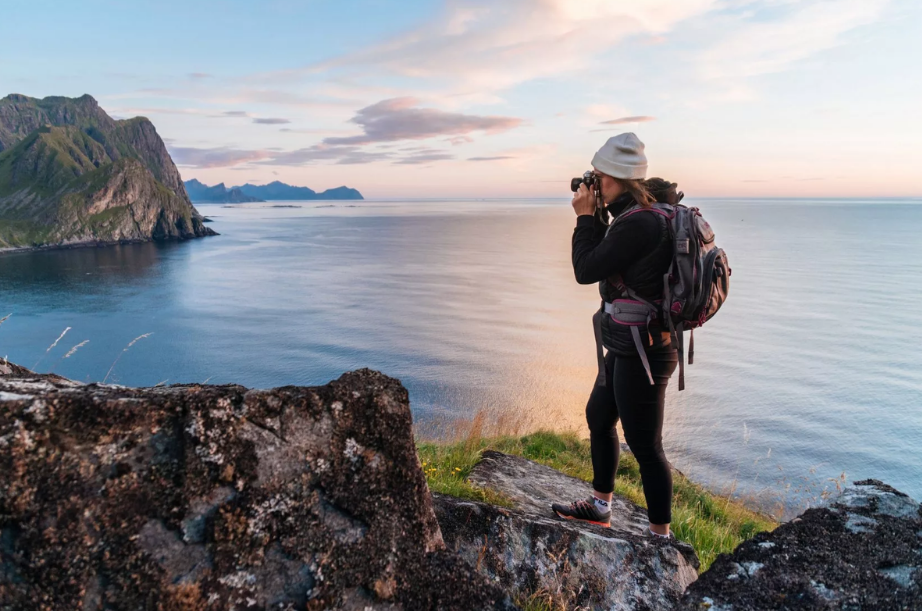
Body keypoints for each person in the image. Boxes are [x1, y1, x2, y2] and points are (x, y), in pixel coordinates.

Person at [551, 133, 678, 539]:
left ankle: (661, 539)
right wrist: (599, 213)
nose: (593, 183)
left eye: (600, 177)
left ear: (618, 178)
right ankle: (600, 506)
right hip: (629, 342)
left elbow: (586, 269)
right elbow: (614, 261)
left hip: (645, 350)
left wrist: (584, 217)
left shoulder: (639, 223)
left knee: (644, 446)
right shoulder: (634, 214)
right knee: (599, 416)